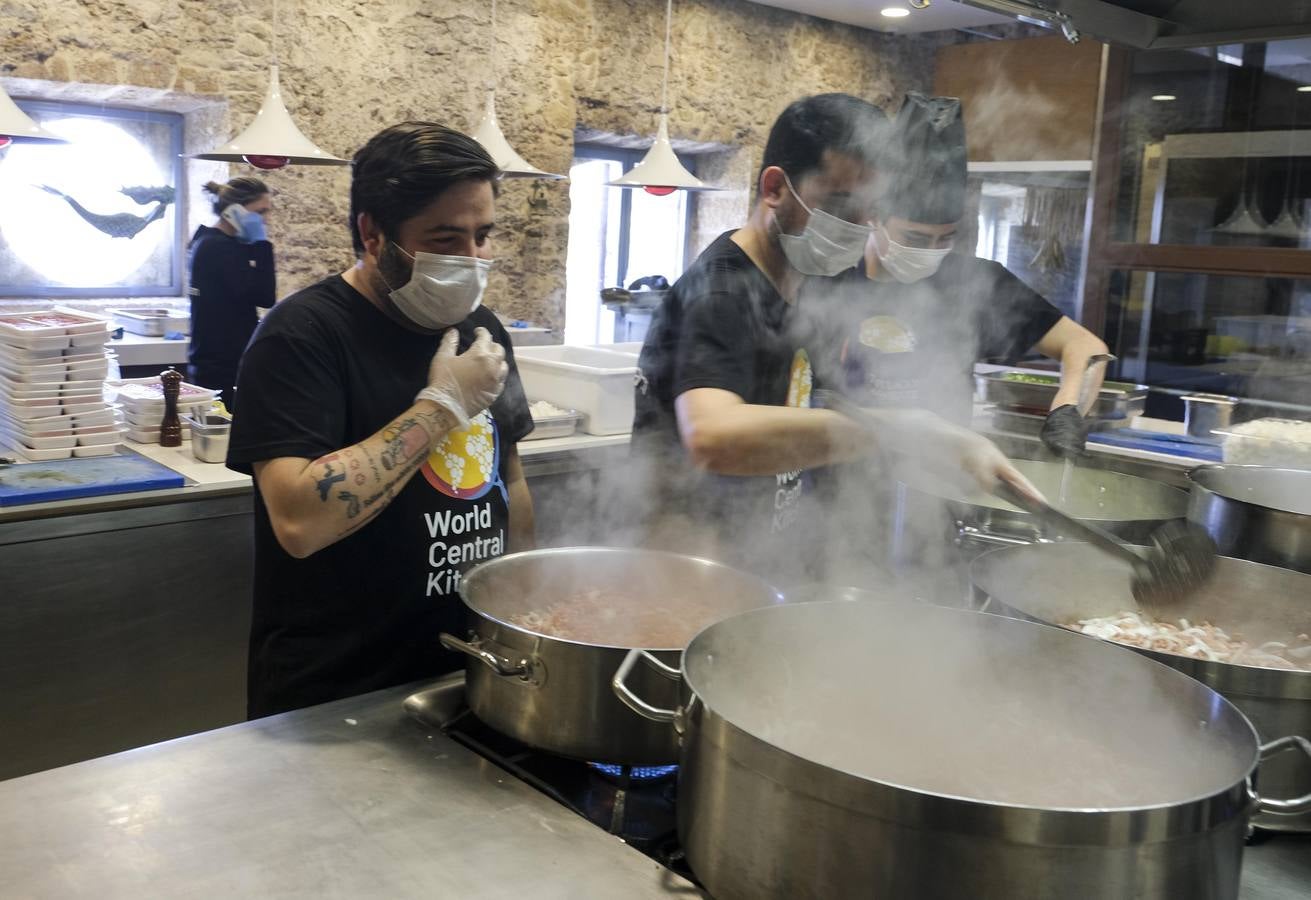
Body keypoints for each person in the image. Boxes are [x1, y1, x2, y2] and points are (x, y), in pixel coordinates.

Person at [632, 93, 1037, 585]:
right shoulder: (722, 290)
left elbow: (806, 412)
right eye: (841, 204)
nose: (857, 228)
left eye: (871, 211)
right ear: (776, 188)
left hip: (762, 563)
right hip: (694, 575)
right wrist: (910, 429)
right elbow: (711, 437)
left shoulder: (802, 283)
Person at [226, 122, 535, 718]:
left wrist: (519, 606)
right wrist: (442, 407)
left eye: (483, 235)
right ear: (372, 233)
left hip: (466, 668)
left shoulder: (484, 329)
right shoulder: (302, 336)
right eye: (446, 238)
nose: (471, 260)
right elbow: (298, 518)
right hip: (339, 695)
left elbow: (510, 478)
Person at [842, 93, 1110, 455]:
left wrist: (1068, 407)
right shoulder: (834, 281)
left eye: (945, 238)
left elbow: (1086, 347)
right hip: (845, 482)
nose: (930, 251)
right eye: (915, 237)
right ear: (873, 216)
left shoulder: (977, 283)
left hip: (941, 481)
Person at [187, 177, 276, 408]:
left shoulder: (206, 240)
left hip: (215, 360)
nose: (264, 220)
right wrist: (262, 246)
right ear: (234, 211)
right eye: (260, 211)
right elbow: (265, 296)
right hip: (221, 366)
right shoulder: (219, 248)